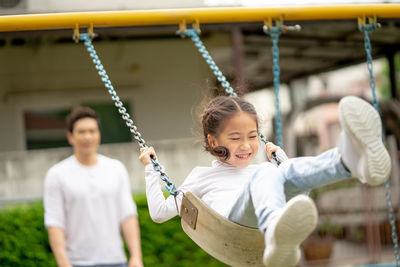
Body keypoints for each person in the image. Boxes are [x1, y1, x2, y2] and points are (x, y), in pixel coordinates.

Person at [139, 95, 391, 267]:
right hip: (233, 226)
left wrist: (281, 159)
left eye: (251, 136)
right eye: (236, 138)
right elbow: (160, 213)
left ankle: (349, 162)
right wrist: (151, 170)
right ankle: (274, 231)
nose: (247, 146)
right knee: (267, 173)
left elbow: (302, 192)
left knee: (282, 170)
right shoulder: (202, 176)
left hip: (266, 215)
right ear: (213, 141)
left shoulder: (262, 172)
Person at [44, 107, 143, 267]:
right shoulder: (56, 174)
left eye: (92, 131)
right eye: (81, 132)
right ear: (70, 136)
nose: (87, 136)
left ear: (99, 134)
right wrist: (63, 263)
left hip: (116, 261)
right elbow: (55, 222)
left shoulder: (116, 169)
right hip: (77, 262)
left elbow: (128, 215)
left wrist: (136, 257)